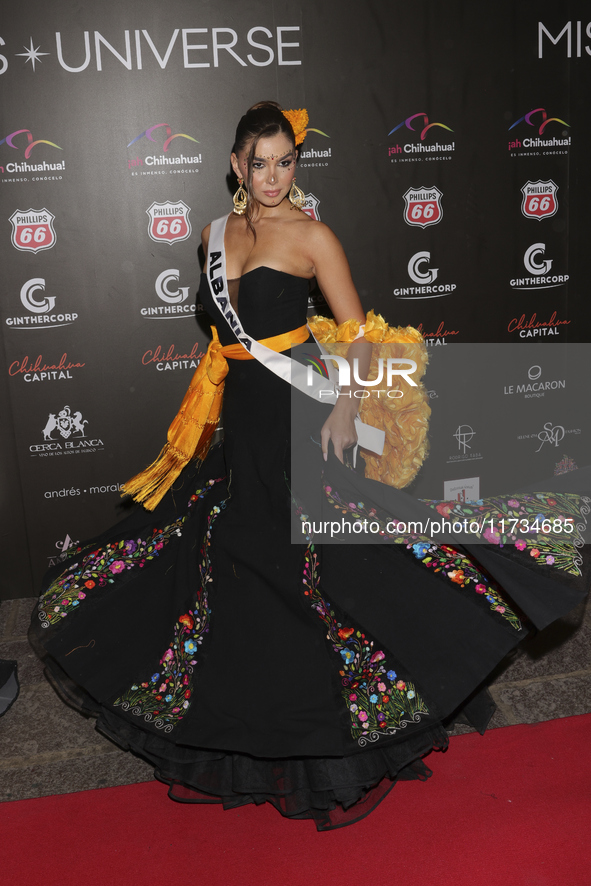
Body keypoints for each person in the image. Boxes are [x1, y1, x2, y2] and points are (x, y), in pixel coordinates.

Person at [31, 101, 590, 830]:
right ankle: (256, 705)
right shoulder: (208, 235)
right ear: (235, 165)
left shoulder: (312, 236)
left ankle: (337, 709)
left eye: (284, 160)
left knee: (315, 556)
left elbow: (356, 334)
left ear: (296, 164)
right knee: (239, 554)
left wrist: (342, 407)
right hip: (241, 417)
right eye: (258, 162)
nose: (271, 175)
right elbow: (223, 339)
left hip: (300, 410)